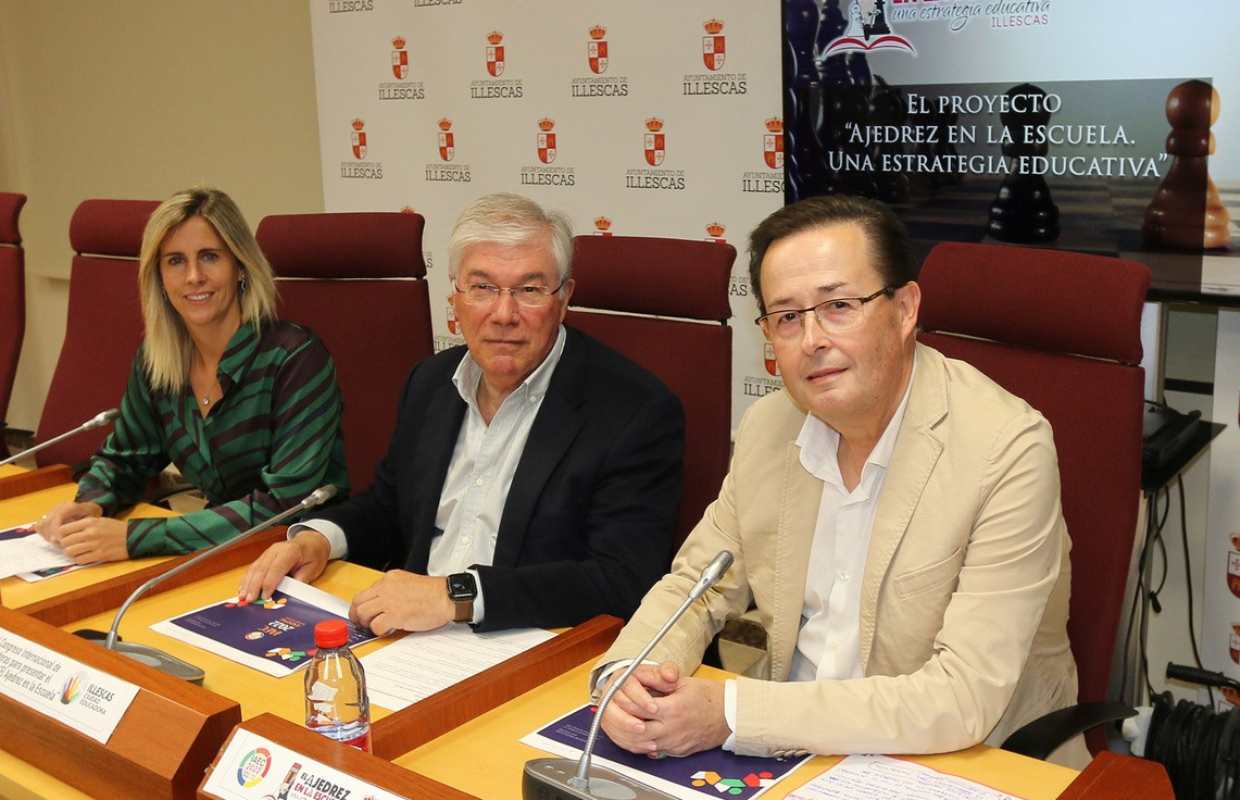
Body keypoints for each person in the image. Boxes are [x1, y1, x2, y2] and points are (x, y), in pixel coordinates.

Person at [593, 195, 1087, 767]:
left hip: (965, 759)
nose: (812, 340)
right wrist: (628, 674)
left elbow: (963, 694)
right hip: (791, 753)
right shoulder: (768, 429)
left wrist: (732, 712)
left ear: (905, 309)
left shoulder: (1006, 449)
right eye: (787, 317)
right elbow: (695, 589)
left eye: (838, 306)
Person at [237, 193, 684, 635]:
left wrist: (455, 596)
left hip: (531, 644)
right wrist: (320, 538)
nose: (503, 313)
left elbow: (622, 580)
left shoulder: (634, 411)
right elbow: (390, 508)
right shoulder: (431, 382)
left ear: (563, 298)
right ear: (455, 297)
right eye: (483, 288)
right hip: (412, 635)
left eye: (529, 289)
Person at [36, 187, 349, 561]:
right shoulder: (159, 362)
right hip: (211, 556)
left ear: (240, 266)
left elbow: (283, 504)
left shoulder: (295, 358)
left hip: (303, 558)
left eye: (210, 257)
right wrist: (90, 504)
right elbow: (126, 459)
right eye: (175, 261)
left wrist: (137, 538)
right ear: (160, 278)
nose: (194, 276)